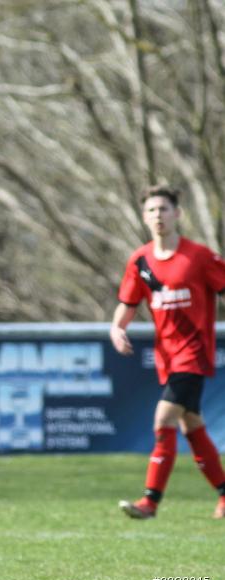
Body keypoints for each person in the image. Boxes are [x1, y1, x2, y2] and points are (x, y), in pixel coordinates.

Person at [111, 184, 225, 520]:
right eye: (151, 210)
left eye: (164, 209)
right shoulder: (141, 260)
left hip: (195, 353)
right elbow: (127, 302)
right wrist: (117, 328)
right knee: (192, 424)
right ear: (144, 218)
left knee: (164, 418)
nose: (158, 215)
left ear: (177, 214)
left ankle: (150, 502)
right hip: (168, 356)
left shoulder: (199, 257)